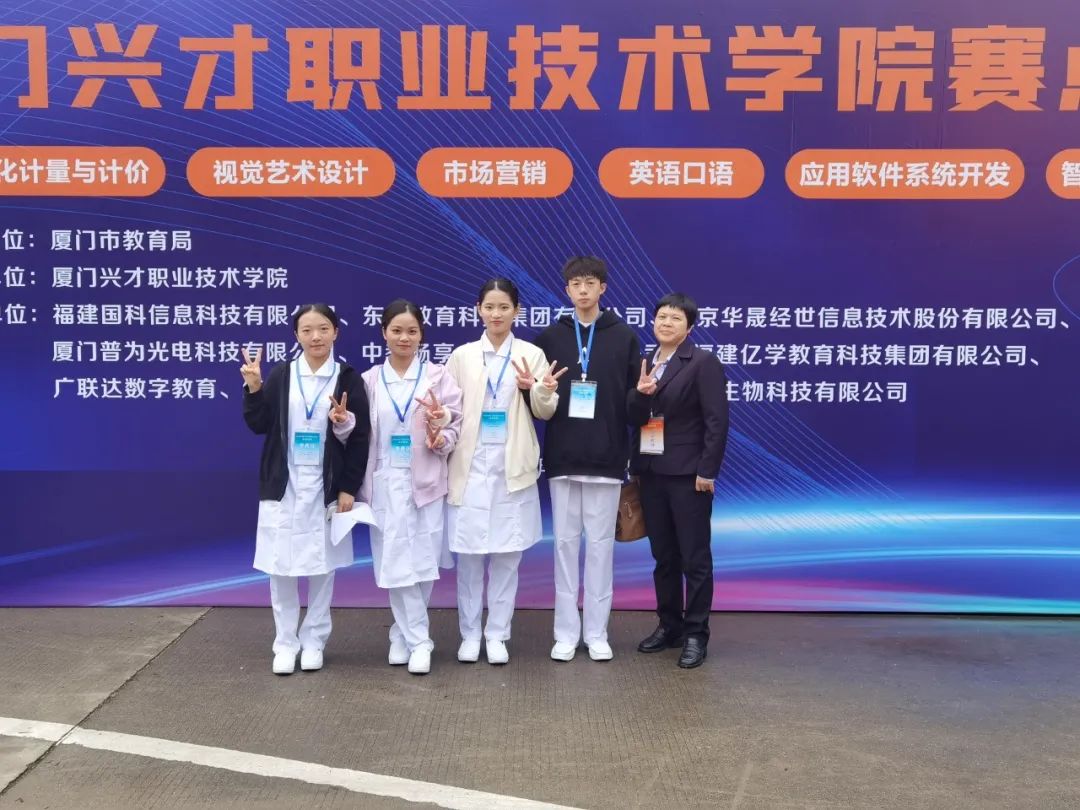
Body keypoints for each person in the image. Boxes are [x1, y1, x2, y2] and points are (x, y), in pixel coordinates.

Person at [241, 303, 370, 675]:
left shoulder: (347, 378)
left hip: (325, 487)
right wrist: (254, 388)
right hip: (285, 484)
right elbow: (259, 424)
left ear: (336, 332)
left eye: (323, 328)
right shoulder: (282, 375)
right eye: (307, 330)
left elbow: (360, 438)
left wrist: (348, 486)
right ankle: (285, 643)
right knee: (280, 567)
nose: (316, 337)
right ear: (296, 335)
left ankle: (314, 641)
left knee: (322, 568)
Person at [445, 278, 565, 665]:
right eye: (489, 307)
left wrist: (538, 390)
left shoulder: (531, 353)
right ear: (478, 310)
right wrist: (438, 417)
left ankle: (497, 634)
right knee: (469, 559)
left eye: (504, 307)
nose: (496, 314)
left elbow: (545, 410)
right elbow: (449, 409)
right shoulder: (462, 356)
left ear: (517, 311)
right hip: (469, 468)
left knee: (507, 559)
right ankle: (469, 634)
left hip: (511, 468)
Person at [534, 256, 641, 662]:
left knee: (600, 550)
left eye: (590, 282)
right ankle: (565, 634)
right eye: (576, 283)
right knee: (563, 548)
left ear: (603, 288)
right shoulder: (549, 338)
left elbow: (632, 404)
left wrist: (643, 395)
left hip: (607, 459)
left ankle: (597, 633)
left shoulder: (623, 337)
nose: (583, 289)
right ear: (566, 290)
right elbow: (539, 400)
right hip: (562, 458)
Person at [358, 299, 462, 675]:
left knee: (422, 562)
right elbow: (356, 433)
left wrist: (441, 435)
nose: (404, 337)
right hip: (385, 482)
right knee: (395, 561)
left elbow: (455, 424)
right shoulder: (370, 381)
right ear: (384, 333)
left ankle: (404, 635)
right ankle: (419, 640)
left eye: (412, 331)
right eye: (397, 330)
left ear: (422, 335)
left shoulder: (438, 377)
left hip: (427, 482)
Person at [627, 293, 729, 669]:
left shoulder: (702, 362)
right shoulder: (646, 361)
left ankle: (696, 634)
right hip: (651, 472)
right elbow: (633, 416)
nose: (666, 323)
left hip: (688, 475)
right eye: (661, 317)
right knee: (663, 557)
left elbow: (717, 421)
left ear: (689, 327)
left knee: (694, 557)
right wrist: (640, 395)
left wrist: (707, 470)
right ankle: (669, 625)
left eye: (675, 318)